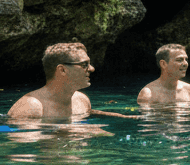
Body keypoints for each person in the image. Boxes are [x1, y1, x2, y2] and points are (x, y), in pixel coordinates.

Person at [7, 43, 135, 119]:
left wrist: (123, 117)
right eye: (84, 64)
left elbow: (86, 113)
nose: (92, 69)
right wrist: (78, 130)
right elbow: (23, 148)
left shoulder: (82, 99)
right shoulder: (31, 108)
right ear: (62, 70)